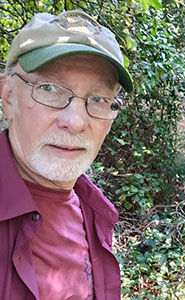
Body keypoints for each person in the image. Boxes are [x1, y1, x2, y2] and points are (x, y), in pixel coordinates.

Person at [0, 10, 133, 300]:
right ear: (9, 96)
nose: (74, 122)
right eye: (50, 88)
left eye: (98, 99)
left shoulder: (95, 211)